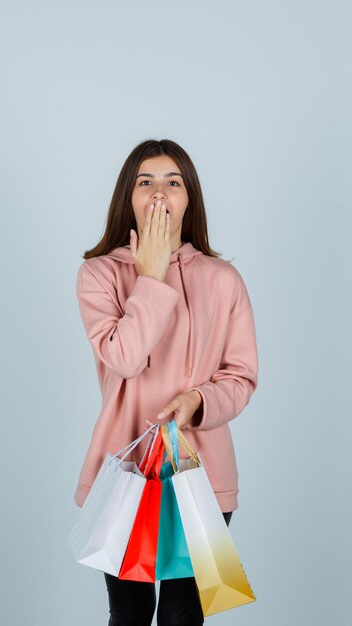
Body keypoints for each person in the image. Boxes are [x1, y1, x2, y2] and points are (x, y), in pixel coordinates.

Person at [73, 138, 259, 625]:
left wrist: (199, 399)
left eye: (173, 182)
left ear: (188, 197)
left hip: (203, 476)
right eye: (146, 182)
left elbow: (241, 377)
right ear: (127, 198)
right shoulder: (99, 275)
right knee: (130, 615)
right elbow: (126, 358)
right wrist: (151, 276)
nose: (160, 193)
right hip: (125, 472)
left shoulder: (224, 280)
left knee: (183, 616)